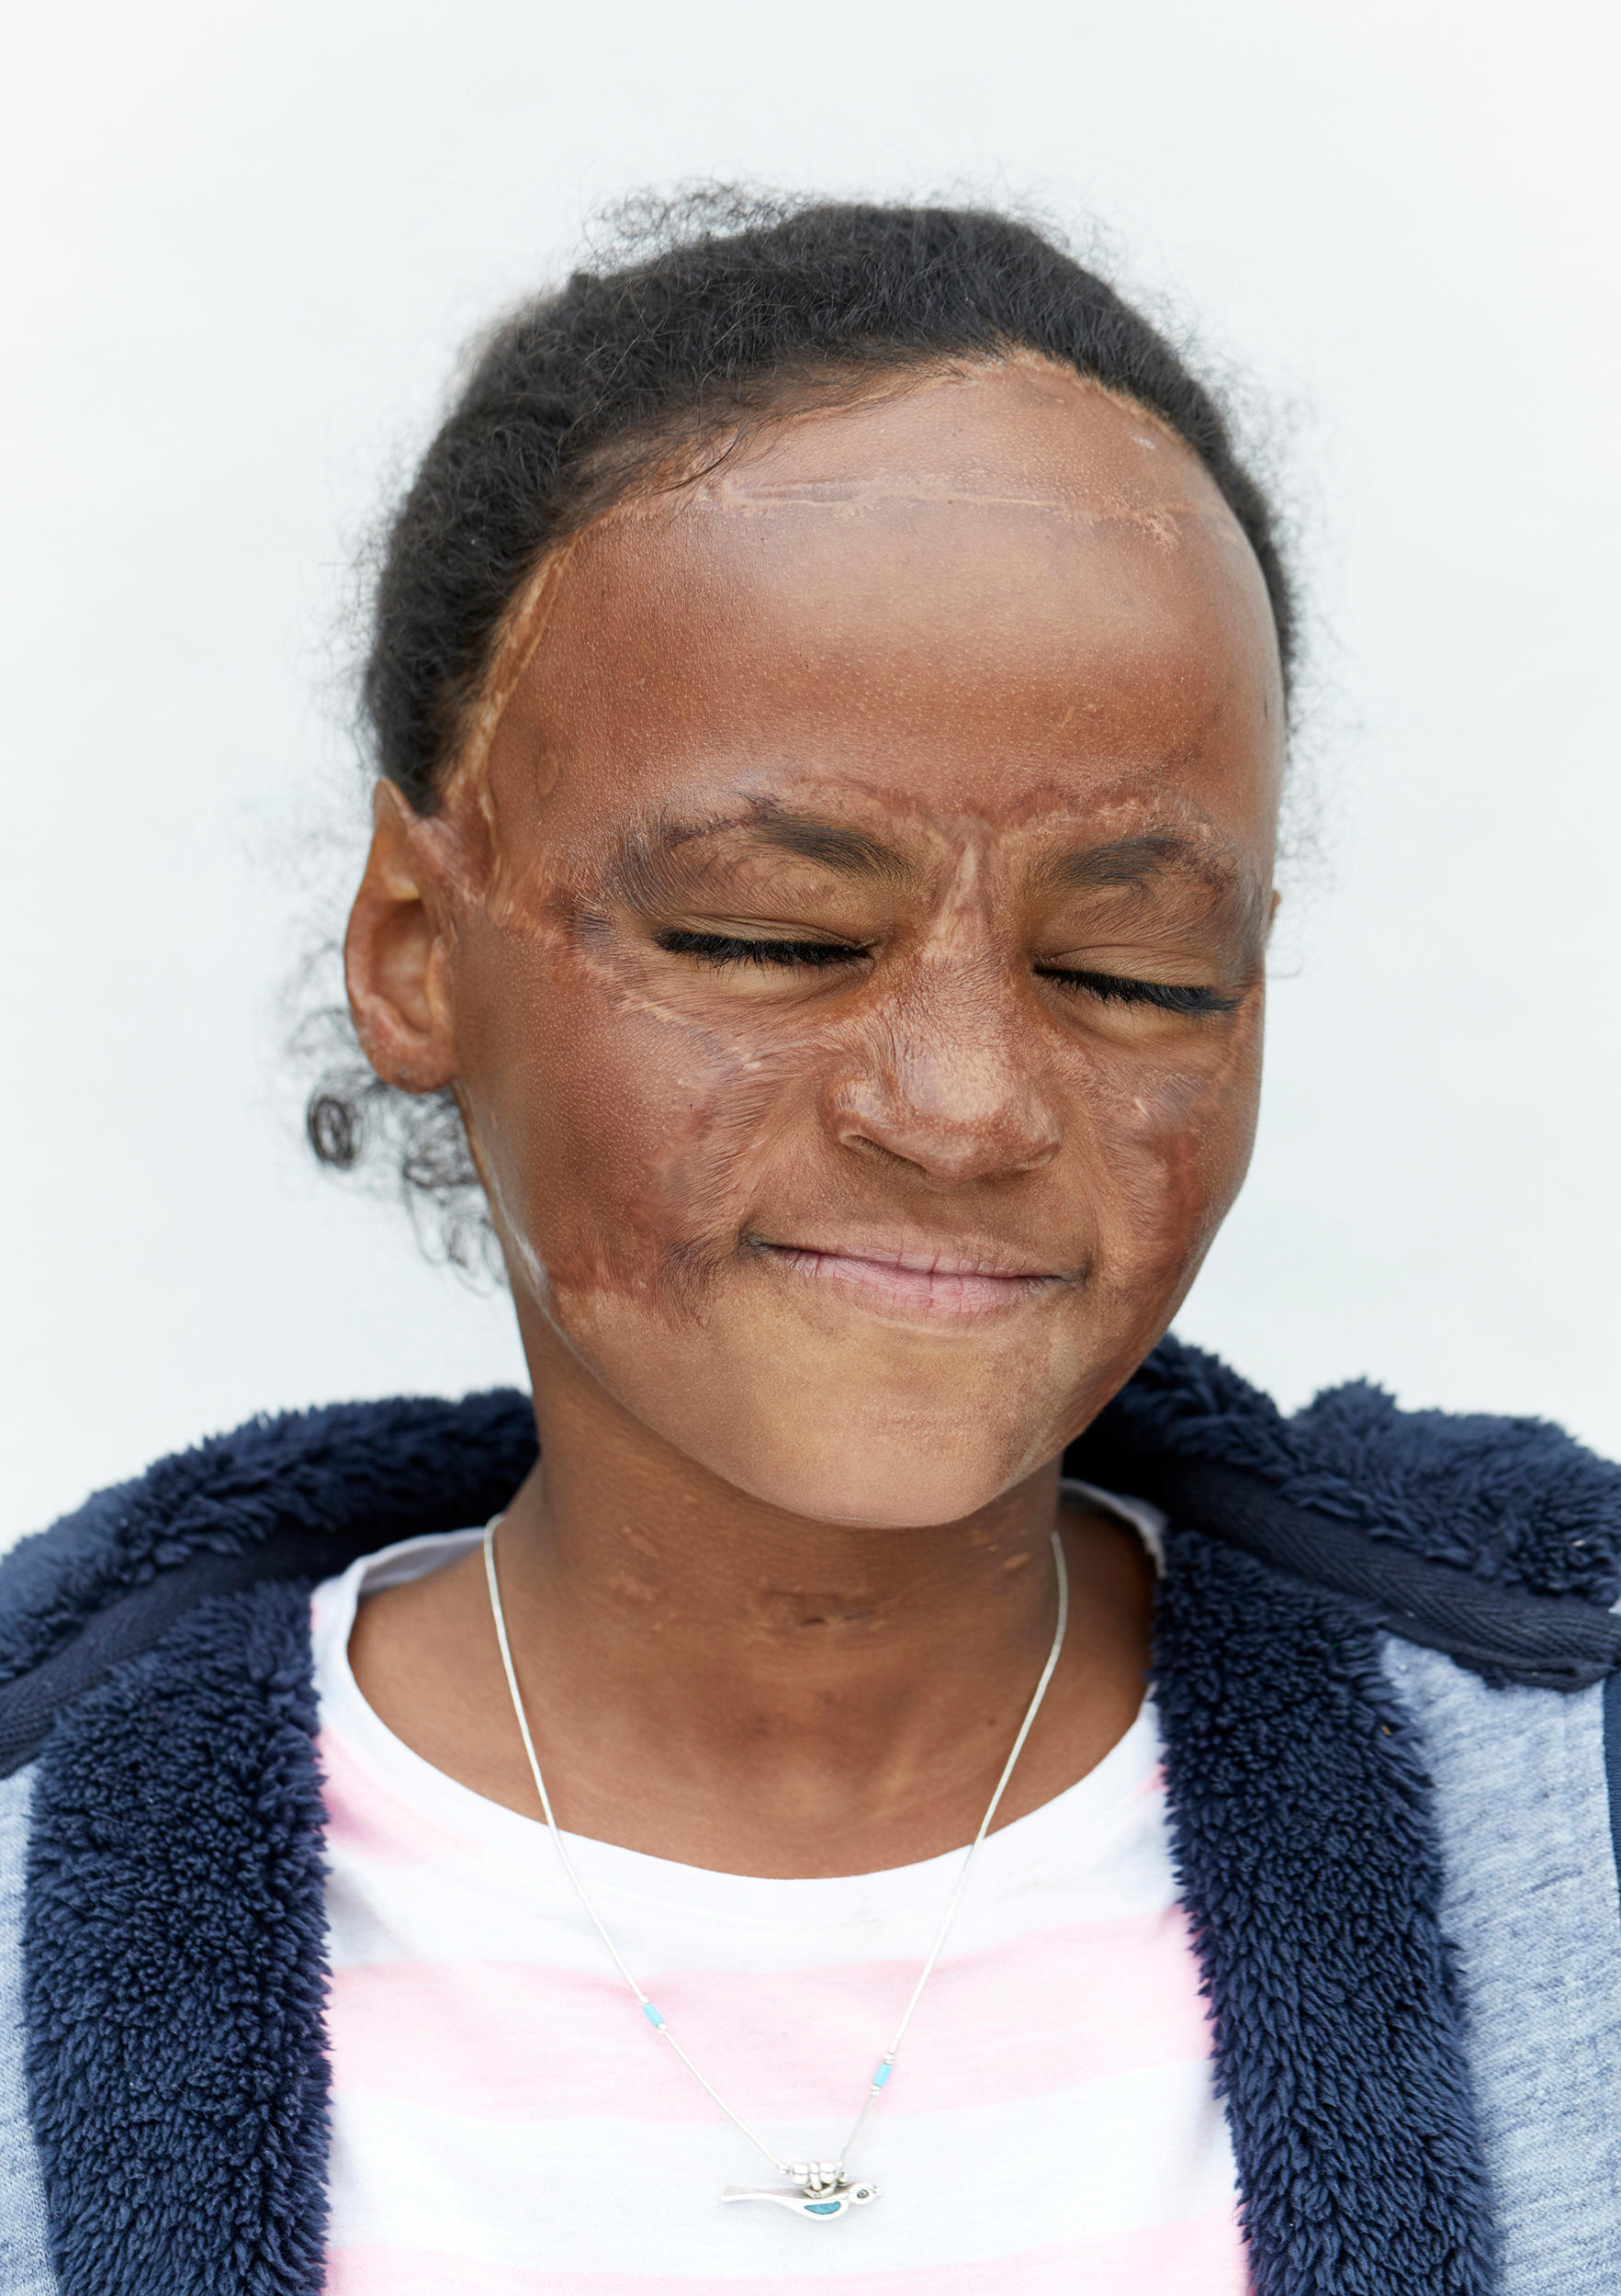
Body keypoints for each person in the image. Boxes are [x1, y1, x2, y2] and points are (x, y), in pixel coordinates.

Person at [2, 197, 1616, 2296]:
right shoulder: (50, 1878)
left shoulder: (1566, 1805)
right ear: (417, 946)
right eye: (772, 937)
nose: (959, 1103)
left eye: (1130, 970)